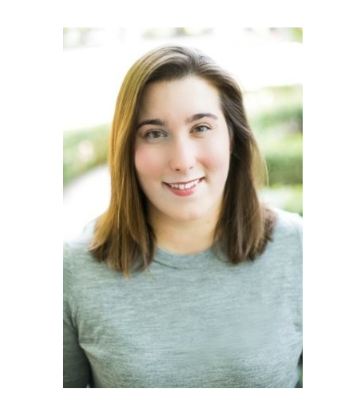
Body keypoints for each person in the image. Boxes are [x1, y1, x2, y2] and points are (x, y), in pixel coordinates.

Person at [62, 45, 303, 389]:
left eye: (201, 127)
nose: (182, 160)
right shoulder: (73, 270)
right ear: (127, 149)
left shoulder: (296, 247)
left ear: (233, 137)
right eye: (155, 133)